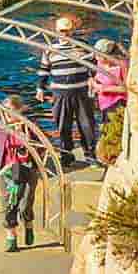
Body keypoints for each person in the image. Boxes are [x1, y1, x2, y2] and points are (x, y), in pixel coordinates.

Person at [36, 17, 99, 166]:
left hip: (82, 90)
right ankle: (66, 155)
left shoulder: (83, 46)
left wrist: (93, 78)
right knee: (63, 125)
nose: (65, 34)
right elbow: (44, 70)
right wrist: (40, 88)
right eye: (62, 31)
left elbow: (94, 65)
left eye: (68, 30)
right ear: (56, 31)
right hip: (60, 93)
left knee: (87, 124)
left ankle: (90, 154)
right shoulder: (50, 49)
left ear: (72, 30)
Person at [0, 97, 37, 252]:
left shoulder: (29, 126)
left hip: (26, 168)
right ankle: (11, 237)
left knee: (26, 202)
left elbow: (41, 145)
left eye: (11, 110)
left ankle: (28, 224)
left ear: (19, 110)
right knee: (8, 203)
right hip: (6, 170)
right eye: (5, 110)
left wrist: (26, 135)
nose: (7, 114)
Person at [92, 40, 129, 124]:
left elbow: (127, 88)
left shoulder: (122, 65)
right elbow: (96, 77)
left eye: (99, 55)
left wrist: (103, 88)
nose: (96, 57)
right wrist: (93, 82)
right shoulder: (99, 63)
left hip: (118, 104)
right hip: (104, 104)